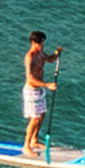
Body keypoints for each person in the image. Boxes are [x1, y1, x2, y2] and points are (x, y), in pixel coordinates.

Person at [21, 31, 59, 160]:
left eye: (43, 43)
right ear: (33, 42)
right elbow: (30, 79)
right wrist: (47, 85)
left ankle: (34, 140)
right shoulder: (30, 57)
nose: (42, 45)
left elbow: (49, 59)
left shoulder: (40, 53)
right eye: (40, 43)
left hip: (40, 89)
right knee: (34, 119)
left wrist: (57, 54)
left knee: (42, 114)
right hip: (31, 91)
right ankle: (26, 146)